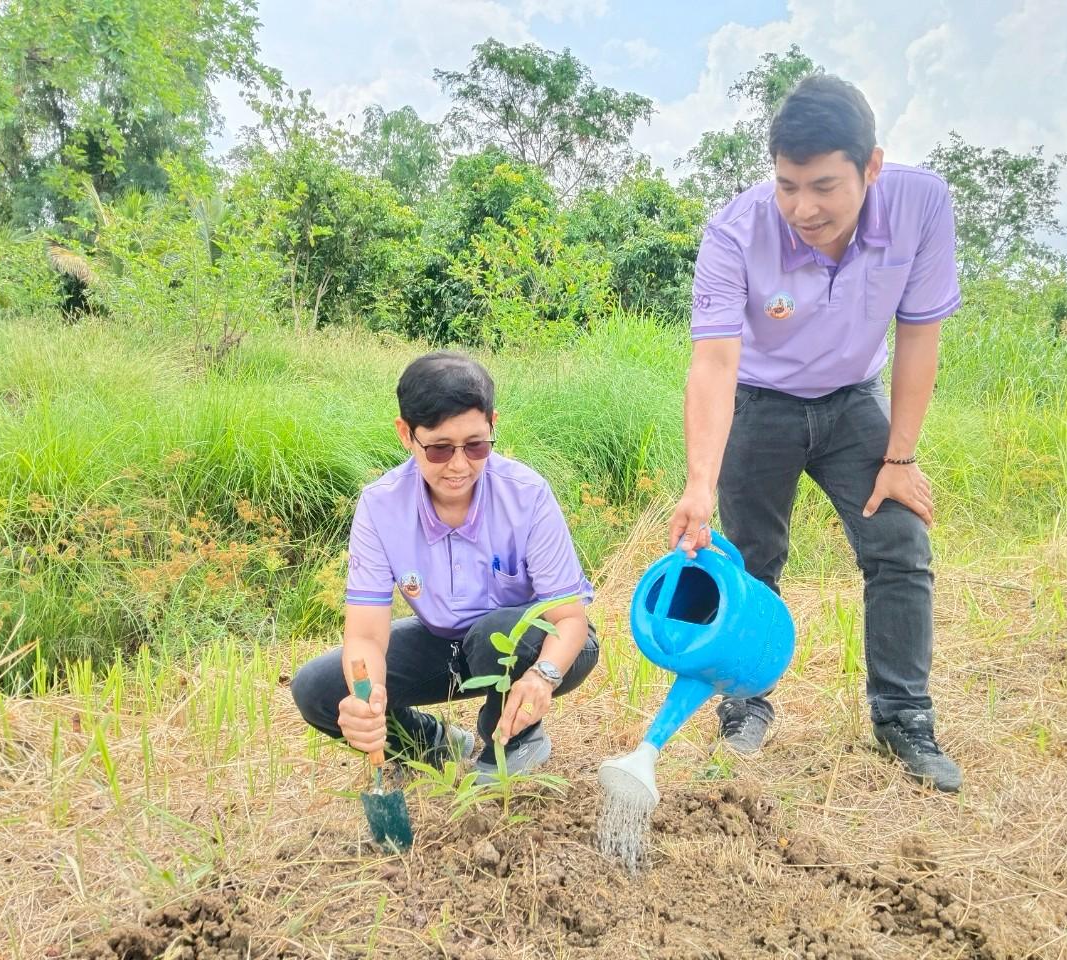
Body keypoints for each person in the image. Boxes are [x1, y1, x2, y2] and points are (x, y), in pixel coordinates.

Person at [669, 74, 963, 792]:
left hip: (852, 400)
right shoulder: (735, 231)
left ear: (871, 166)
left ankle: (903, 718)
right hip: (760, 402)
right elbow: (713, 361)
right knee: (747, 559)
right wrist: (699, 485)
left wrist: (900, 456)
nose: (804, 207)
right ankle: (742, 704)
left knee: (899, 544)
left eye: (824, 185)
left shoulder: (923, 205)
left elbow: (919, 334)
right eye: (788, 185)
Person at [291, 351, 597, 783]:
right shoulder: (381, 508)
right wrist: (367, 697)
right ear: (406, 434)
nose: (459, 465)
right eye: (438, 448)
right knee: (318, 689)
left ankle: (510, 735)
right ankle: (431, 741)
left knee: (493, 637)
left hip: (541, 643)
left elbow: (568, 618)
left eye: (475, 445)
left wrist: (543, 678)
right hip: (445, 644)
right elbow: (366, 636)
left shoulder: (526, 495)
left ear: (493, 423)